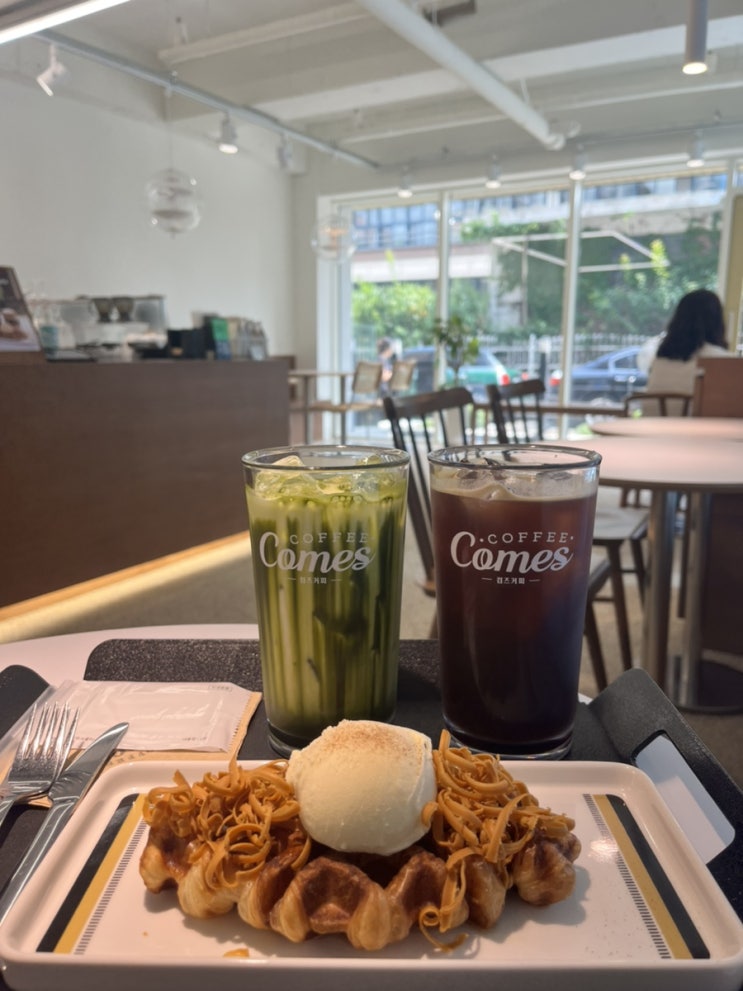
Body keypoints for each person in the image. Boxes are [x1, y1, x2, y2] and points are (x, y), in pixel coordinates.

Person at [644, 289, 731, 412]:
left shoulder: (659, 358)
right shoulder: (722, 361)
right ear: (717, 321)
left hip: (651, 422)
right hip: (696, 424)